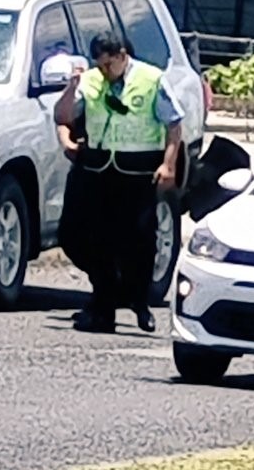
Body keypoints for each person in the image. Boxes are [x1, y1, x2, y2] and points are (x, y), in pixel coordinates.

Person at [54, 32, 184, 334]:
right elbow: (63, 116)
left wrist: (168, 164)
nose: (103, 71)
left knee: (139, 240)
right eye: (98, 65)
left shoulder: (151, 79)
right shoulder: (89, 80)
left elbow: (173, 124)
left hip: (137, 171)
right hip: (98, 168)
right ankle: (106, 296)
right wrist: (71, 88)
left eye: (108, 65)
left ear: (122, 56)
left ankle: (138, 302)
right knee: (86, 238)